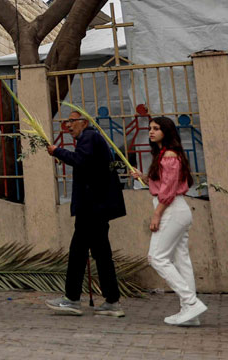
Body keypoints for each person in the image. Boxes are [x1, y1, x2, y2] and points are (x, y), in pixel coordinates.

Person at [45, 111, 126, 317]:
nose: (68, 125)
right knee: (101, 253)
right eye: (67, 121)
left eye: (72, 121)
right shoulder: (90, 139)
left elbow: (81, 160)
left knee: (78, 252)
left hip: (91, 208)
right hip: (96, 207)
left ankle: (72, 299)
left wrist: (57, 151)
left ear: (84, 122)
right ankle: (112, 301)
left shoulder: (89, 137)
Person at [129, 116, 206, 326]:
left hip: (171, 209)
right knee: (181, 260)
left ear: (167, 131)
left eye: (156, 128)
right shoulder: (165, 154)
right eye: (150, 128)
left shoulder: (170, 155)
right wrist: (144, 177)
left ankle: (191, 303)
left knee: (157, 257)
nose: (151, 131)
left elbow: (168, 190)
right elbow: (164, 183)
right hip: (175, 209)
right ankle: (190, 313)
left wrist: (157, 214)